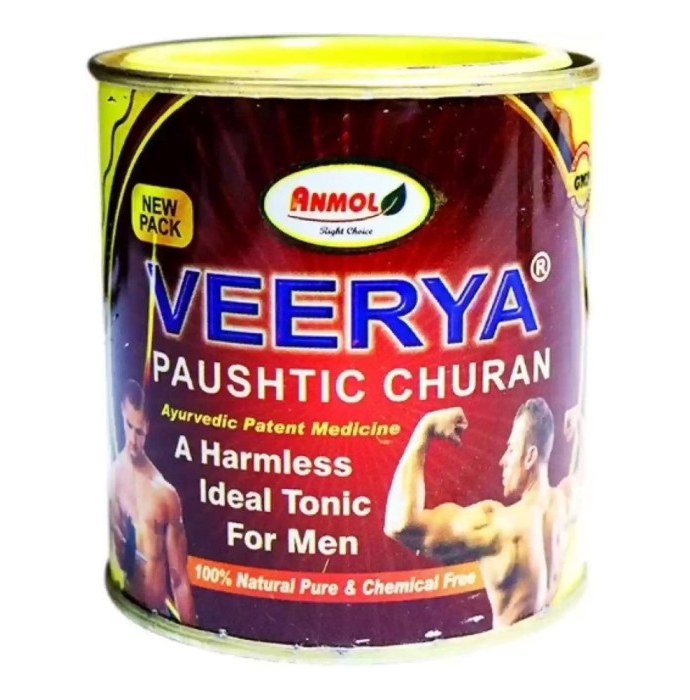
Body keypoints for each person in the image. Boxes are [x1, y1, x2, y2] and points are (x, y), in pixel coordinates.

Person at [384, 398, 581, 628]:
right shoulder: (566, 499)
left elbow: (399, 523)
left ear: (529, 457)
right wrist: (581, 430)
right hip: (551, 636)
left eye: (511, 449)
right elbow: (586, 472)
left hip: (506, 649)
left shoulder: (495, 527)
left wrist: (425, 428)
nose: (503, 460)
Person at [109, 379, 196, 625]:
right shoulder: (115, 475)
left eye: (139, 432)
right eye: (129, 426)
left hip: (159, 617)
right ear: (122, 411)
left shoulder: (164, 494)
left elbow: (179, 580)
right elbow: (118, 555)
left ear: (147, 427)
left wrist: (191, 632)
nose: (133, 440)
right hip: (126, 614)